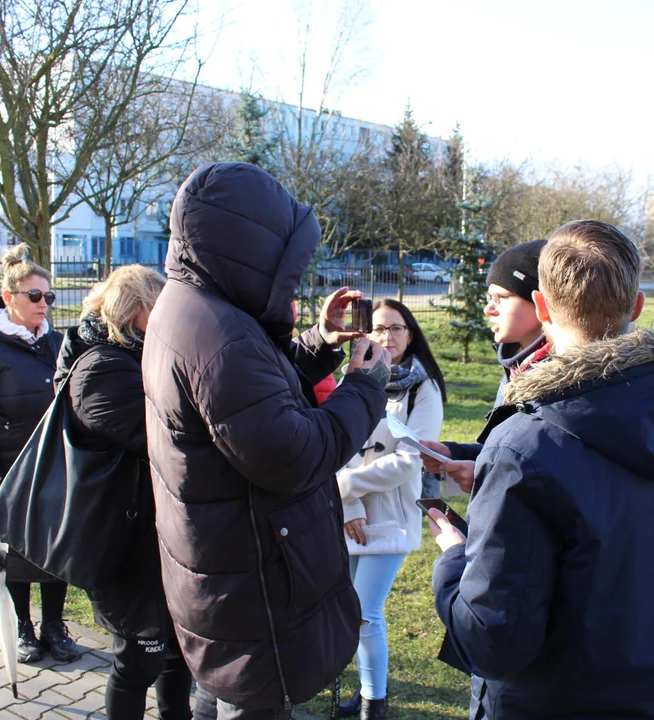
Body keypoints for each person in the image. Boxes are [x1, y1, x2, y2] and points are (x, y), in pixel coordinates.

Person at [426, 220, 654, 719]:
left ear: (542, 307)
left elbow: (491, 639)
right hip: (653, 700)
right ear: (636, 305)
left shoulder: (522, 448)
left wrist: (454, 558)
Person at [142, 162, 391, 719]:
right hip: (252, 590)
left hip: (224, 578)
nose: (295, 275)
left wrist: (320, 341)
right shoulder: (219, 335)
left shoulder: (196, 309)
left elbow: (251, 406)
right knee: (245, 701)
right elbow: (293, 454)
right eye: (289, 259)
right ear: (251, 249)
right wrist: (365, 389)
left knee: (220, 689)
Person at [53, 265, 192, 720]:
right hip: (125, 545)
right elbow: (159, 438)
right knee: (138, 661)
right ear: (135, 311)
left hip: (158, 539)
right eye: (161, 308)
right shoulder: (99, 370)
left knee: (176, 655)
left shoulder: (138, 357)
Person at [0, 243, 80, 664]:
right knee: (16, 555)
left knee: (54, 551)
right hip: (10, 473)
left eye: (49, 296)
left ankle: (54, 626)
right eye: (34, 296)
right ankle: (24, 629)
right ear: (9, 297)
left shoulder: (58, 344)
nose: (44, 304)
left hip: (55, 469)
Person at [336, 299, 446, 720]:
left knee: (367, 612)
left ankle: (373, 703)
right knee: (349, 609)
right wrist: (347, 503)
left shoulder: (423, 388)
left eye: (396, 328)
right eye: (379, 329)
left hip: (392, 515)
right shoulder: (357, 378)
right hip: (351, 514)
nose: (387, 337)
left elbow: (409, 460)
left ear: (410, 333)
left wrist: (344, 485)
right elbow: (339, 441)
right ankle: (362, 694)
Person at [421, 240, 548, 495]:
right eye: (489, 298)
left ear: (540, 302)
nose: (488, 309)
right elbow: (510, 450)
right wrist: (457, 453)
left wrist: (485, 476)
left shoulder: (563, 378)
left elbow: (556, 478)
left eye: (501, 298)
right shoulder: (517, 366)